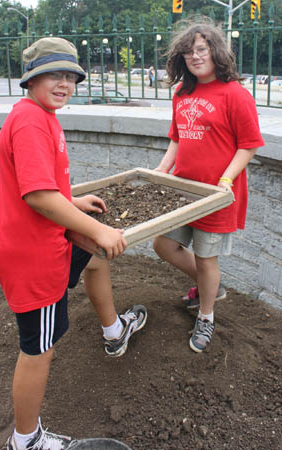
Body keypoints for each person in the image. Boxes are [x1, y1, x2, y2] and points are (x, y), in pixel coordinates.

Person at [0, 37, 147, 450]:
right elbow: (38, 197)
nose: (64, 84)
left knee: (94, 260)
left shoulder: (42, 115)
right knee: (39, 348)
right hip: (33, 256)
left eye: (70, 76)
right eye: (53, 75)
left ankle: (114, 331)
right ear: (31, 79)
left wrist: (72, 201)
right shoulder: (29, 120)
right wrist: (98, 230)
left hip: (46, 239)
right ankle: (26, 441)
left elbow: (43, 186)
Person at [153, 21, 264, 353]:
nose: (195, 56)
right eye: (188, 52)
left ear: (216, 51)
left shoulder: (235, 94)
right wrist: (161, 169)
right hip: (182, 190)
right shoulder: (182, 93)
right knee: (163, 245)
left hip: (215, 197)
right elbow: (177, 137)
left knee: (206, 259)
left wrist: (225, 181)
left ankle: (206, 314)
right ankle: (210, 287)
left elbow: (249, 146)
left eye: (201, 49)